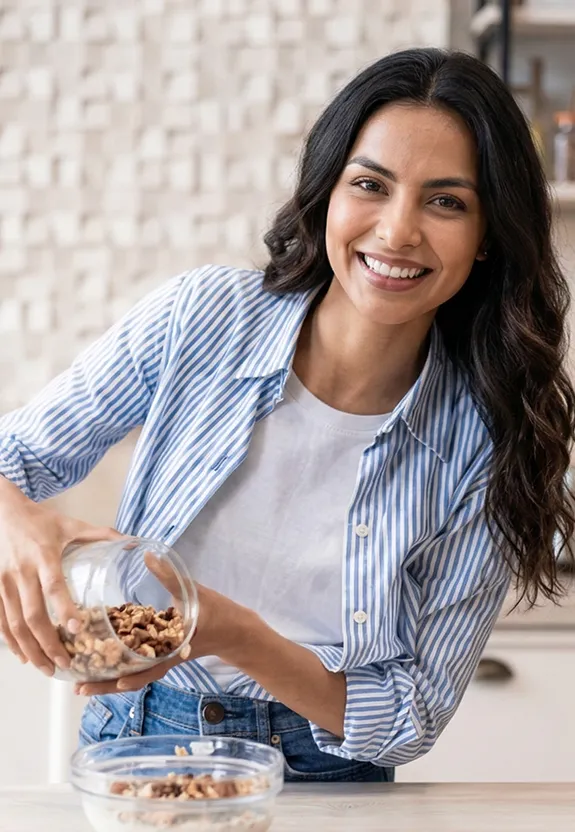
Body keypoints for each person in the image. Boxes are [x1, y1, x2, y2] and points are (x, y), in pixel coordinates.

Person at [0, 47, 573, 783]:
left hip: (326, 772)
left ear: (488, 234)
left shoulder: (485, 437)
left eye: (445, 201)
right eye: (370, 184)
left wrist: (230, 633)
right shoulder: (203, 317)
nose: (397, 231)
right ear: (327, 193)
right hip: (133, 742)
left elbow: (410, 717)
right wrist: (20, 526)